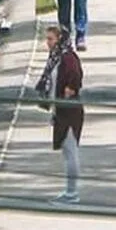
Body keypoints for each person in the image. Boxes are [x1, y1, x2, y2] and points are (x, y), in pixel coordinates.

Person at [35, 26, 85, 203]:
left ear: (59, 39)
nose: (47, 43)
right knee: (66, 151)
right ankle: (69, 191)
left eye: (51, 39)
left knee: (71, 151)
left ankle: (72, 193)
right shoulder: (56, 58)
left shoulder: (68, 58)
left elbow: (75, 77)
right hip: (60, 110)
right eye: (47, 39)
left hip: (69, 111)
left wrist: (69, 91)